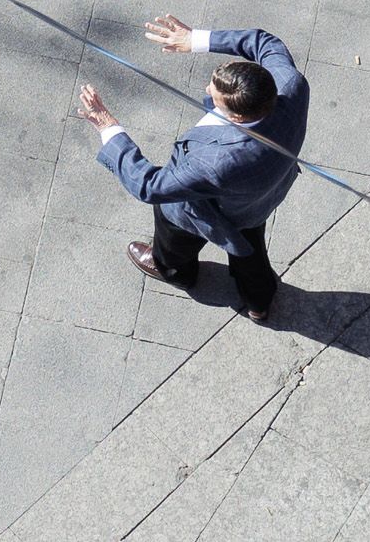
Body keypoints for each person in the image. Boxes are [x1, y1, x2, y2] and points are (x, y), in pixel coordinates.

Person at [84, 17, 309, 322]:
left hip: (206, 211)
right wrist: (195, 40)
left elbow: (150, 186)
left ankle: (175, 271)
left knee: (174, 238)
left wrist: (108, 128)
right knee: (250, 248)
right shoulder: (291, 84)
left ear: (238, 117)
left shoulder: (216, 162)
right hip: (260, 199)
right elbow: (265, 42)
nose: (206, 89)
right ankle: (259, 301)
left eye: (214, 97)